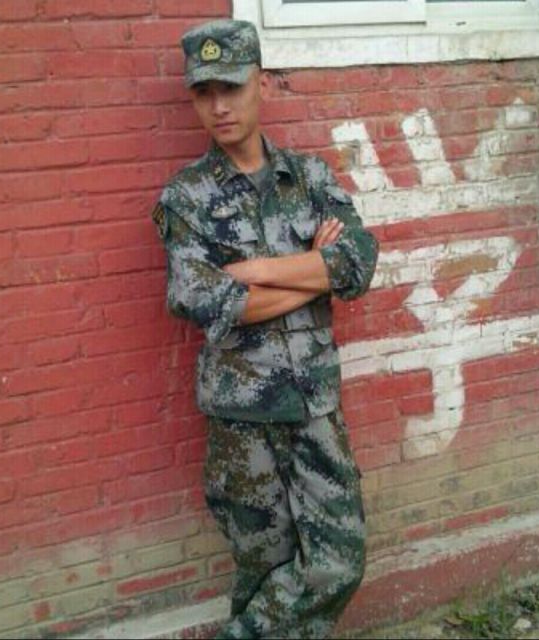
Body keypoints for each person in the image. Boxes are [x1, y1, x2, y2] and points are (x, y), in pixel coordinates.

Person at [151, 18, 379, 639]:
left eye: (231, 86)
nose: (219, 106)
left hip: (314, 406)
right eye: (203, 93)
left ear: (262, 84)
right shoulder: (185, 199)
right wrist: (314, 271)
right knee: (263, 571)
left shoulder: (310, 178)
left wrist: (258, 271)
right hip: (241, 419)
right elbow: (206, 300)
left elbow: (358, 261)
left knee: (337, 561)